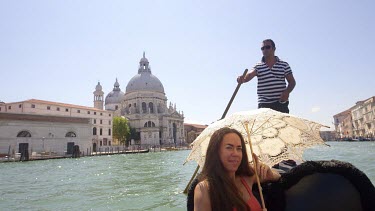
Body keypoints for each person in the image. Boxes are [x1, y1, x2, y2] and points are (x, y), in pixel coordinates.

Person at [193, 127, 281, 211]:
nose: (236, 153)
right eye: (229, 147)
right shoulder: (204, 189)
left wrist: (268, 171)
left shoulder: (246, 178)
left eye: (239, 149)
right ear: (216, 152)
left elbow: (277, 175)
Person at [237, 39, 296, 113]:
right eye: (262, 48)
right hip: (264, 105)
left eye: (267, 47)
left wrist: (287, 92)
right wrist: (243, 78)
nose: (265, 50)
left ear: (274, 49)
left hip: (280, 103)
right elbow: (249, 74)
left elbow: (292, 82)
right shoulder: (258, 66)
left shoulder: (284, 65)